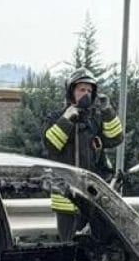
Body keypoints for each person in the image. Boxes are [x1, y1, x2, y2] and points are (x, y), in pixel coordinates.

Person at [42, 68, 124, 239]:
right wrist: (67, 120)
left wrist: (107, 110)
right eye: (81, 89)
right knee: (68, 247)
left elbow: (116, 138)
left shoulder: (95, 120)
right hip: (66, 199)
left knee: (98, 246)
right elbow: (51, 146)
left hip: (93, 197)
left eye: (89, 90)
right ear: (71, 92)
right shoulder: (57, 118)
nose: (86, 94)